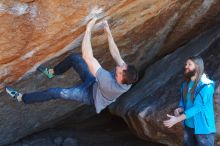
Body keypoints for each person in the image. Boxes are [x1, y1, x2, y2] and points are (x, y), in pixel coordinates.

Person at [5, 18, 138, 114]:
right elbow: (116, 55)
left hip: (90, 95)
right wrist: (107, 30)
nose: (120, 65)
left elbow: (88, 57)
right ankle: (52, 72)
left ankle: (22, 98)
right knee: (74, 58)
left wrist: (88, 29)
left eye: (121, 68)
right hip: (95, 83)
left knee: (55, 92)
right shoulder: (127, 77)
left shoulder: (109, 83)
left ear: (120, 77)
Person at [163, 56, 216, 146]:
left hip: (204, 129)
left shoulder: (206, 86)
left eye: (189, 64)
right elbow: (184, 101)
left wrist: (177, 119)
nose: (186, 66)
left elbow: (197, 107)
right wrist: (180, 108)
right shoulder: (186, 84)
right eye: (186, 64)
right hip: (189, 126)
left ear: (198, 67)